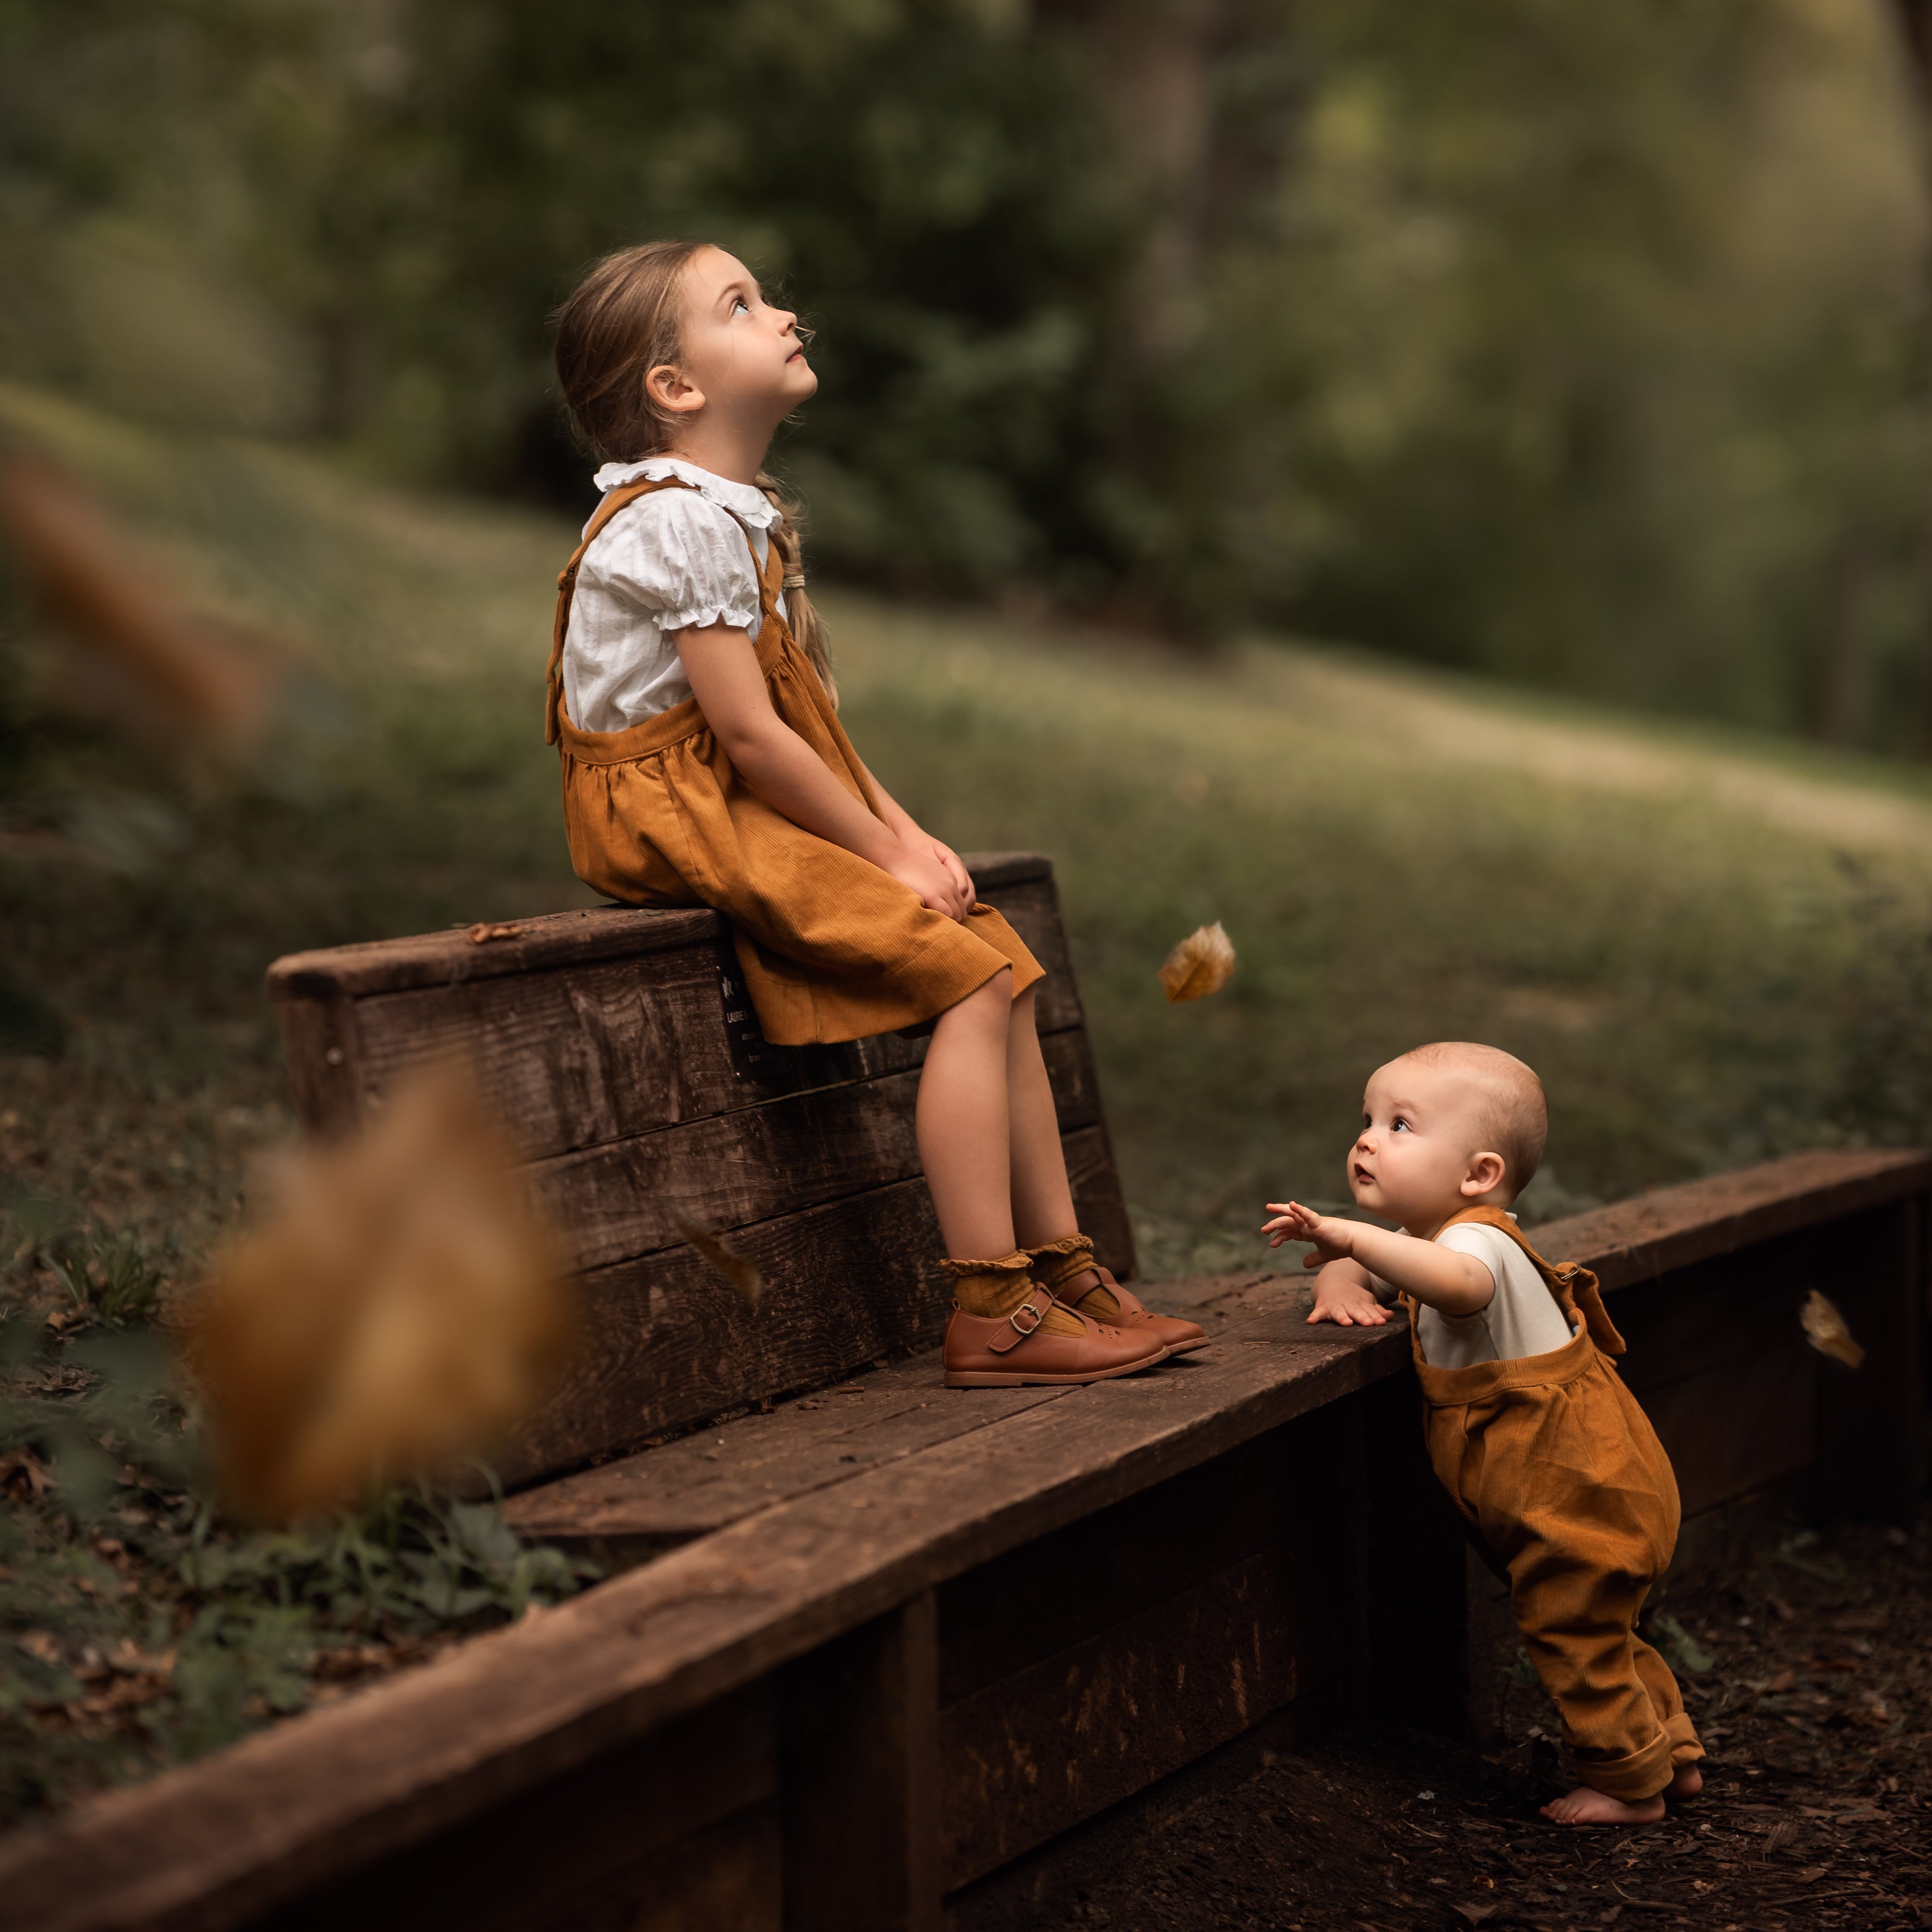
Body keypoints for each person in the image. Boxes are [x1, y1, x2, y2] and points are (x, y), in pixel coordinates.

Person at [546, 239, 1206, 1387]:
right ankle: (993, 1310)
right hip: (673, 808)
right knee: (964, 979)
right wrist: (882, 848)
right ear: (674, 387)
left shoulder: (730, 513)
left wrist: (908, 830)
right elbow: (748, 738)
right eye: (742, 304)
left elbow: (802, 724)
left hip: (725, 788)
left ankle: (1064, 1272)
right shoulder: (677, 521)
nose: (785, 313)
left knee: (999, 958)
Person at [1261, 1042, 1703, 1825]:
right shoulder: (1437, 1236)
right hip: (1596, 1483)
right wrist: (1338, 1273)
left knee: (1572, 1634)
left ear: (1480, 1175)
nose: (1367, 1140)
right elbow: (1377, 1271)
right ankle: (1668, 1752)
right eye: (1365, 1121)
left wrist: (1352, 1238)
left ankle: (1630, 1788)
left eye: (1400, 1126)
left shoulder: (1471, 1247)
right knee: (1607, 1630)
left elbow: (1459, 1287)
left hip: (1578, 1492)